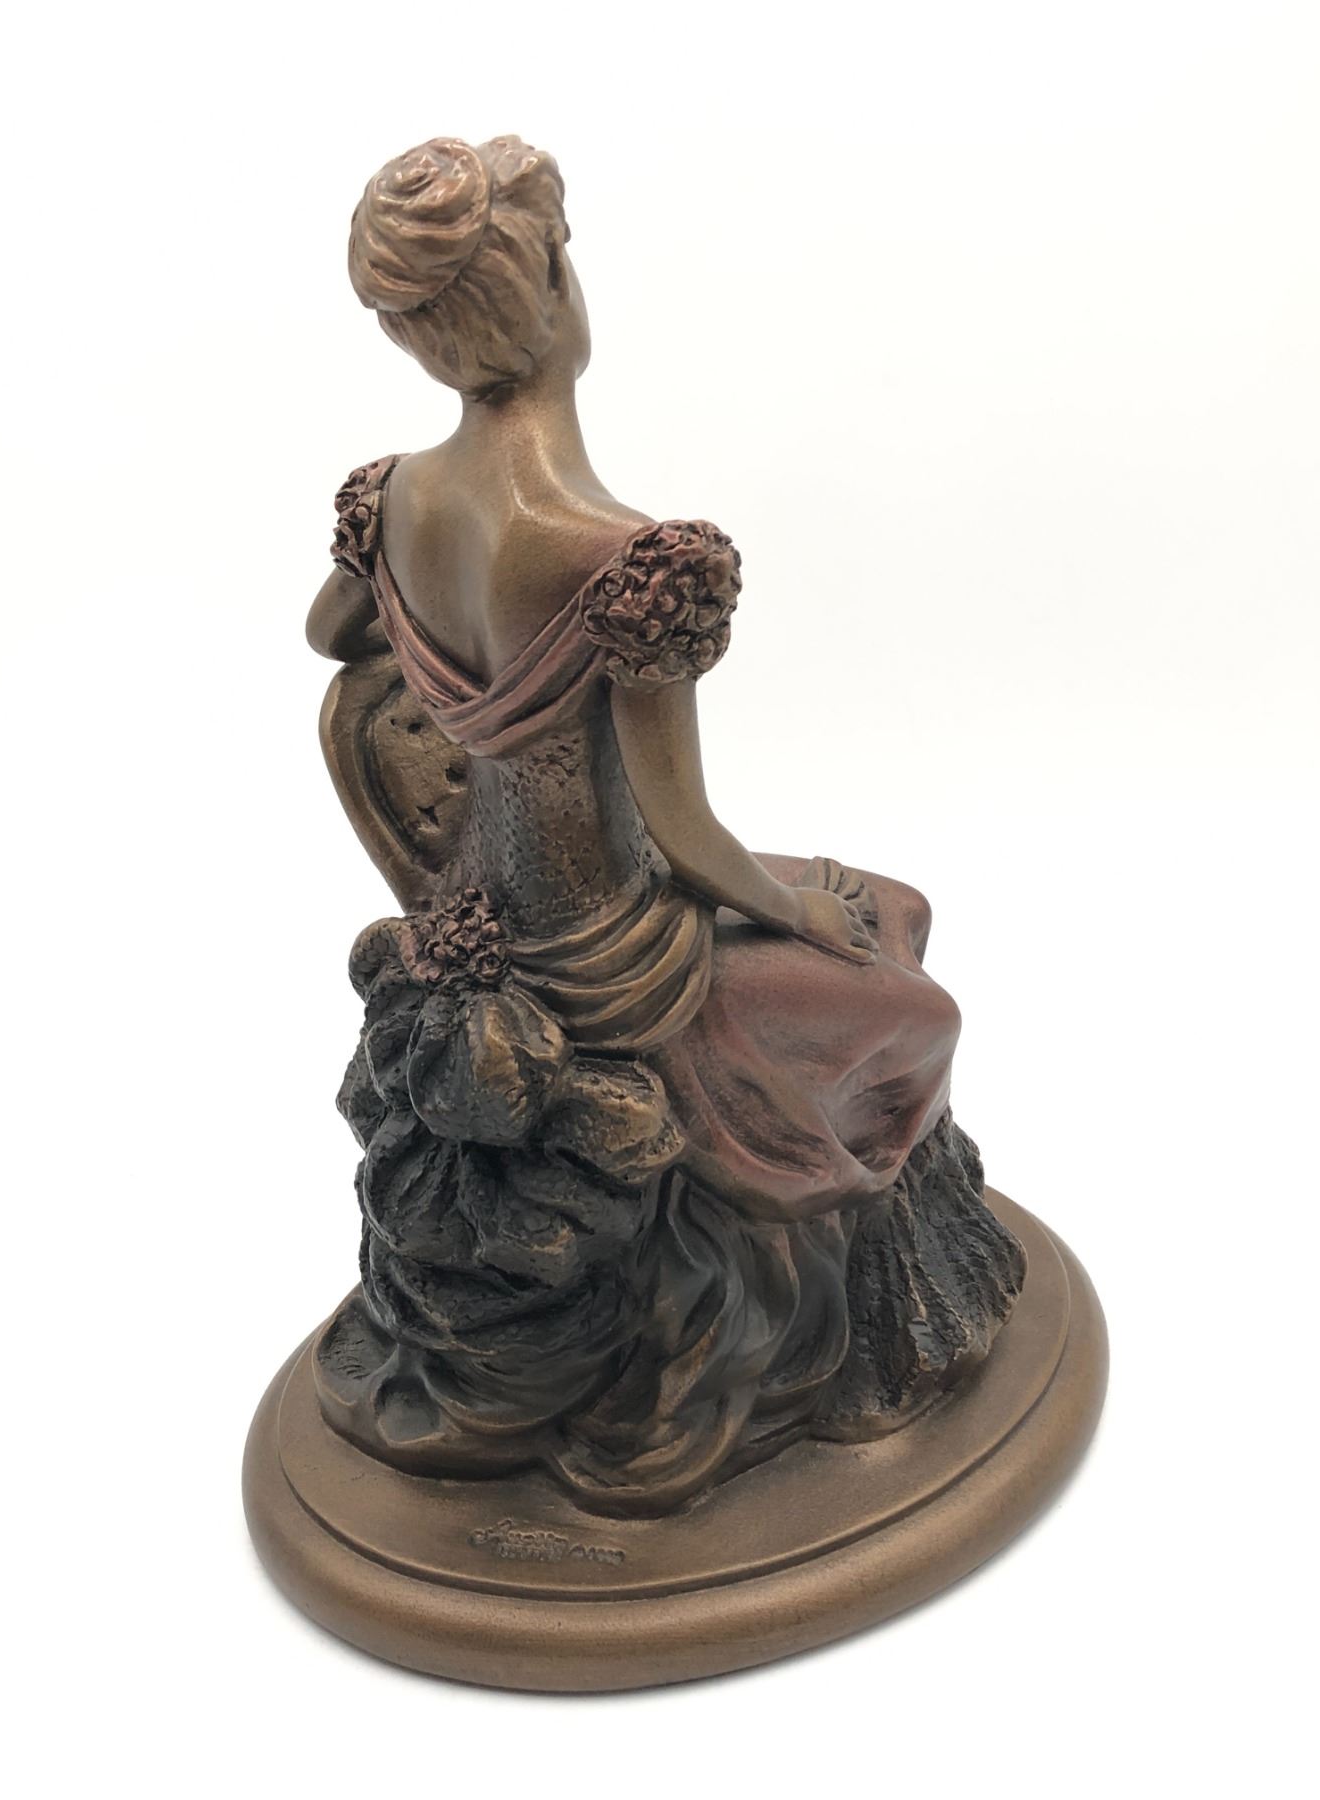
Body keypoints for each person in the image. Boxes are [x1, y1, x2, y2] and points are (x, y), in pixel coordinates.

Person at [308, 136, 1023, 1515]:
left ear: (415, 335)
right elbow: (685, 834)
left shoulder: (393, 497)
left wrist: (421, 629)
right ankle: (839, 1324)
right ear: (550, 292)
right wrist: (801, 912)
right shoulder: (618, 553)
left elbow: (335, 638)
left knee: (887, 912)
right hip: (615, 954)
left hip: (467, 914)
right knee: (906, 982)